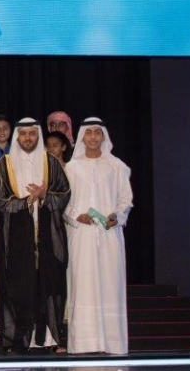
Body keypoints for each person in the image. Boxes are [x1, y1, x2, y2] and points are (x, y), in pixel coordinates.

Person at [0, 117, 71, 353]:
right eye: (23, 134)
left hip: (48, 235)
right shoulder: (6, 163)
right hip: (18, 238)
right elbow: (1, 200)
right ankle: (19, 341)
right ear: (17, 136)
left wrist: (44, 196)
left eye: (32, 133)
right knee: (20, 287)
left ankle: (50, 340)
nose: (28, 138)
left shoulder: (51, 162)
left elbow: (65, 194)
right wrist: (26, 201)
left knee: (49, 285)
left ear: (38, 135)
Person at [64, 118, 132, 355]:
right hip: (81, 235)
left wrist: (118, 216)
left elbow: (126, 200)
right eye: (89, 133)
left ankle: (113, 343)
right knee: (82, 285)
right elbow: (64, 203)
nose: (93, 137)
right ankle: (84, 343)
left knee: (111, 285)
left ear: (103, 136)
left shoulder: (116, 166)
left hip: (110, 234)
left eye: (97, 133)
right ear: (82, 137)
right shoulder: (71, 168)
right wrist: (76, 216)